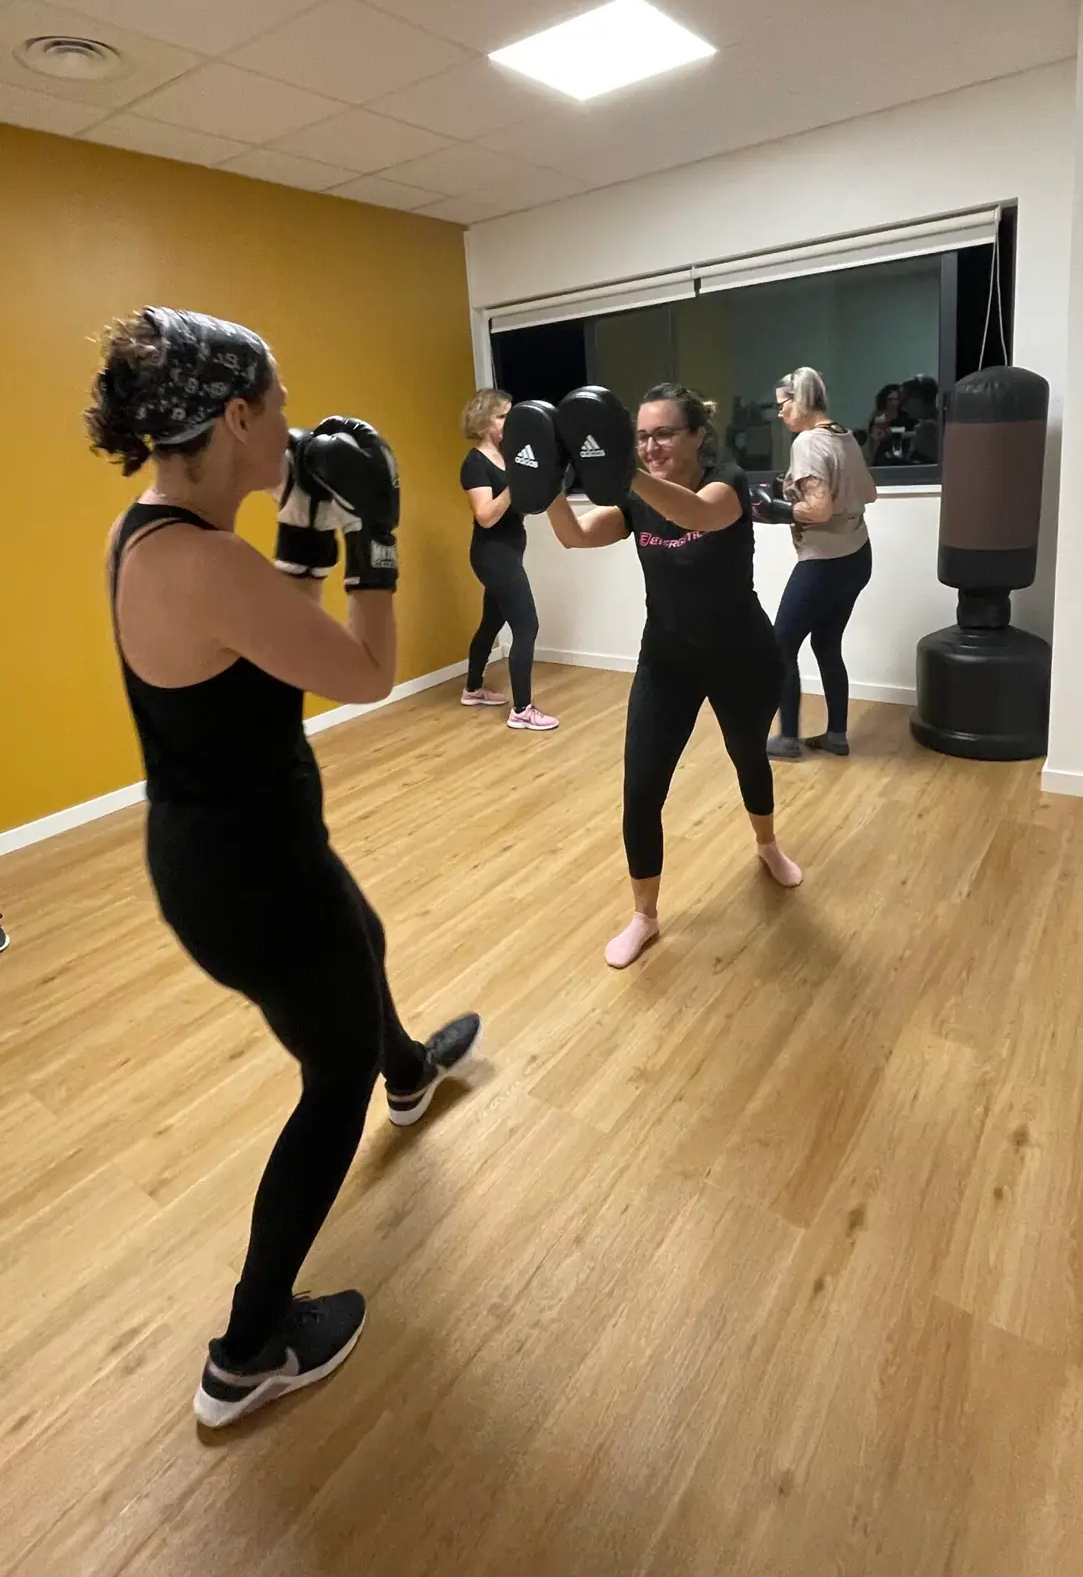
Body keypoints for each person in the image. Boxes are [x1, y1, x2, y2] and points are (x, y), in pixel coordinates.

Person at [86, 307, 480, 1428]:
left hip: (228, 851)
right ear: (241, 417)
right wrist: (382, 535)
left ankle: (409, 1073)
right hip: (250, 873)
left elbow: (265, 646)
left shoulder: (151, 532)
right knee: (327, 1079)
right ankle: (249, 1348)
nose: (295, 424)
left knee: (363, 941)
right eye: (284, 405)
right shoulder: (207, 563)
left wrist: (306, 520)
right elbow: (359, 672)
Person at [546, 382, 801, 970]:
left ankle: (767, 845)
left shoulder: (727, 481)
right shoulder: (635, 500)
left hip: (742, 655)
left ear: (696, 436)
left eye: (663, 433)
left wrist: (621, 469)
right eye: (641, 436)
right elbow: (574, 536)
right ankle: (645, 916)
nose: (651, 445)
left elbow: (700, 515)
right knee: (640, 789)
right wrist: (548, 488)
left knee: (748, 758)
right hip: (667, 660)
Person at [755, 366, 875, 761]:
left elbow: (819, 510)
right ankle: (837, 735)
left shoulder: (807, 442)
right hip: (857, 556)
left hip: (824, 562)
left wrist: (778, 510)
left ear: (801, 400)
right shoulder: (845, 436)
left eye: (782, 404)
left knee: (779, 646)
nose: (779, 413)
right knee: (826, 643)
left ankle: (787, 739)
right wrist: (791, 488)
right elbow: (868, 493)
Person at [458, 387, 556, 731]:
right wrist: (515, 482)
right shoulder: (475, 463)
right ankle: (523, 710)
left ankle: (472, 689)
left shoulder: (509, 455)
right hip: (492, 554)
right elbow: (485, 515)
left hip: (510, 550)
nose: (509, 423)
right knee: (527, 625)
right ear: (485, 421)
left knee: (491, 623)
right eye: (502, 416)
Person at [866, 382, 902, 462]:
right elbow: (875, 437)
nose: (893, 402)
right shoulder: (879, 417)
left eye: (896, 399)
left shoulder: (906, 417)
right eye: (890, 399)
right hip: (883, 457)